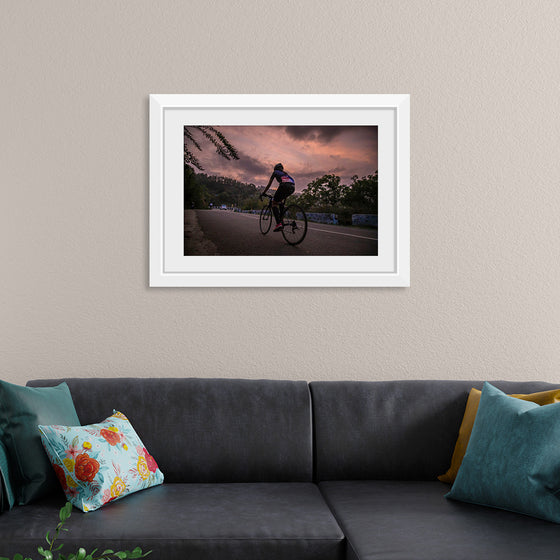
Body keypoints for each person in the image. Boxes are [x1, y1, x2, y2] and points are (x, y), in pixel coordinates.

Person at [260, 163, 295, 232]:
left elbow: (269, 184)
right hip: (292, 187)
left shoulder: (275, 172)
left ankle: (278, 224)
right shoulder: (286, 174)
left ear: (275, 169)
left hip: (284, 186)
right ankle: (282, 219)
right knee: (280, 202)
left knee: (274, 203)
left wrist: (263, 193)